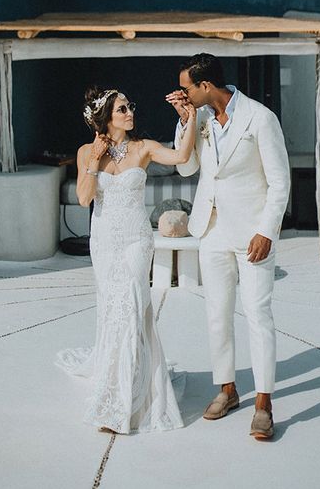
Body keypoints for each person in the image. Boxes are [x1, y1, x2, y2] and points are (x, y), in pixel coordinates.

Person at [57, 86, 197, 434]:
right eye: (122, 109)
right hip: (104, 242)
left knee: (132, 306)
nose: (130, 112)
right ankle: (122, 379)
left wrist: (189, 118)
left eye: (130, 106)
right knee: (113, 308)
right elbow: (84, 199)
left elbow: (181, 157)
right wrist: (93, 162)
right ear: (106, 119)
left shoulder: (142, 148)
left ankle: (122, 400)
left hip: (136, 239)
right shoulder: (87, 152)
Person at [166, 54, 290, 441]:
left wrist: (266, 230)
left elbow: (280, 182)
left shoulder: (260, 118)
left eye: (186, 88)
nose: (181, 94)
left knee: (258, 315)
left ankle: (264, 404)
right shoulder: (198, 118)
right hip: (211, 229)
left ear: (206, 86)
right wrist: (186, 120)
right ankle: (228, 390)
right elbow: (185, 168)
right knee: (217, 315)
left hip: (253, 233)